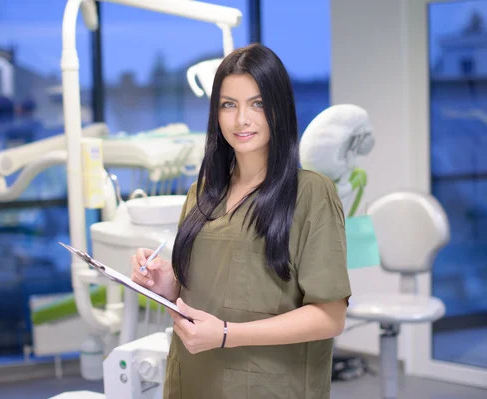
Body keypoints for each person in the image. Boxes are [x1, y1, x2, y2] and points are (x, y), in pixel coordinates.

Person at [130, 43, 351, 399]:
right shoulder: (202, 193)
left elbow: (330, 317)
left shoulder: (310, 194)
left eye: (257, 104)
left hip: (267, 386)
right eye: (228, 105)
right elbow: (210, 290)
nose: (241, 120)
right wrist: (166, 283)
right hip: (194, 380)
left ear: (279, 109)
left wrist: (227, 334)